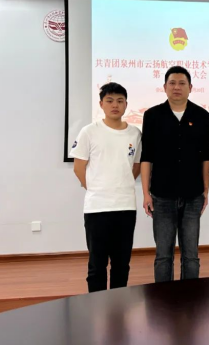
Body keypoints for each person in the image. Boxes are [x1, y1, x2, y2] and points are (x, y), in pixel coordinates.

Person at [140, 66, 209, 282]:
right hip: (161, 195)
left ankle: (190, 297)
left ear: (191, 87)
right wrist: (145, 193)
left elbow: (206, 157)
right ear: (164, 87)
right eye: (172, 83)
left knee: (191, 256)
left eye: (182, 83)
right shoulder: (152, 115)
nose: (177, 87)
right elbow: (146, 157)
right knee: (163, 255)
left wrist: (206, 190)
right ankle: (164, 298)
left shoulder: (202, 116)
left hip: (193, 195)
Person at [71, 82, 141, 292]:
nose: (115, 105)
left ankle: (118, 305)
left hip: (126, 206)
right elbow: (78, 168)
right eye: (109, 101)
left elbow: (136, 166)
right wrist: (96, 188)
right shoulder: (89, 132)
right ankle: (96, 305)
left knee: (122, 263)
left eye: (120, 101)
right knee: (97, 264)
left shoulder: (135, 134)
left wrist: (121, 184)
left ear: (126, 104)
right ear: (101, 104)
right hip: (97, 208)